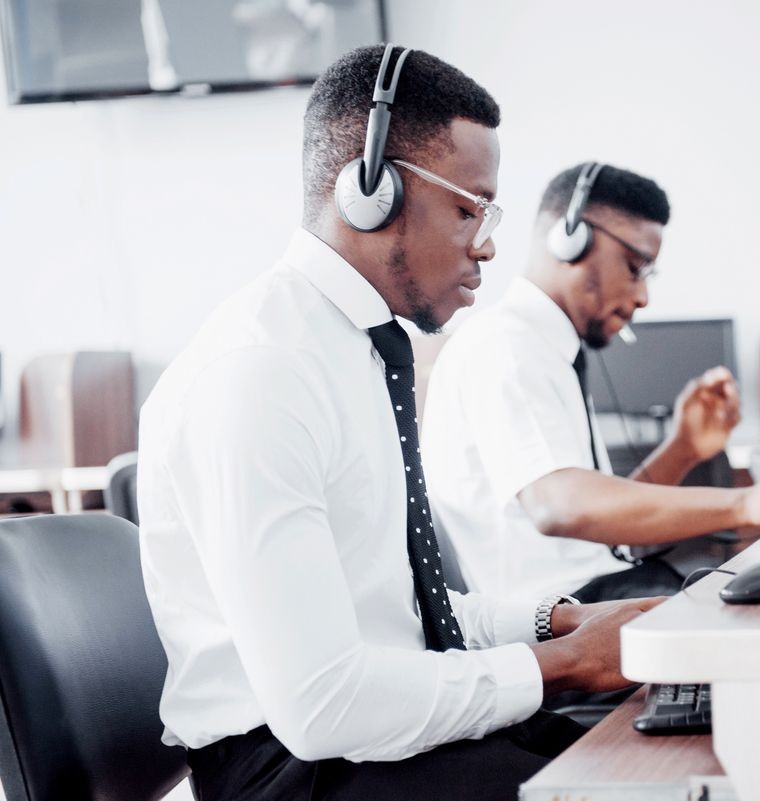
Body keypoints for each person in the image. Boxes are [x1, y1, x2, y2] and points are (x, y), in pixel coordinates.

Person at [137, 45, 659, 801]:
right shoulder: (263, 370)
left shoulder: (357, 349)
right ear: (370, 190)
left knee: (646, 755)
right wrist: (570, 663)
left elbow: (413, 620)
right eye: (468, 208)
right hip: (294, 769)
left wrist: (565, 621)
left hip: (367, 739)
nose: (486, 245)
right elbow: (324, 703)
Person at [422, 163, 760, 603]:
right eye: (634, 266)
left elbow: (601, 528)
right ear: (569, 241)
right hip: (563, 613)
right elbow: (560, 506)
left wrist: (683, 448)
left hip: (594, 591)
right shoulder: (506, 345)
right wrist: (747, 502)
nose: (642, 296)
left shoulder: (544, 349)